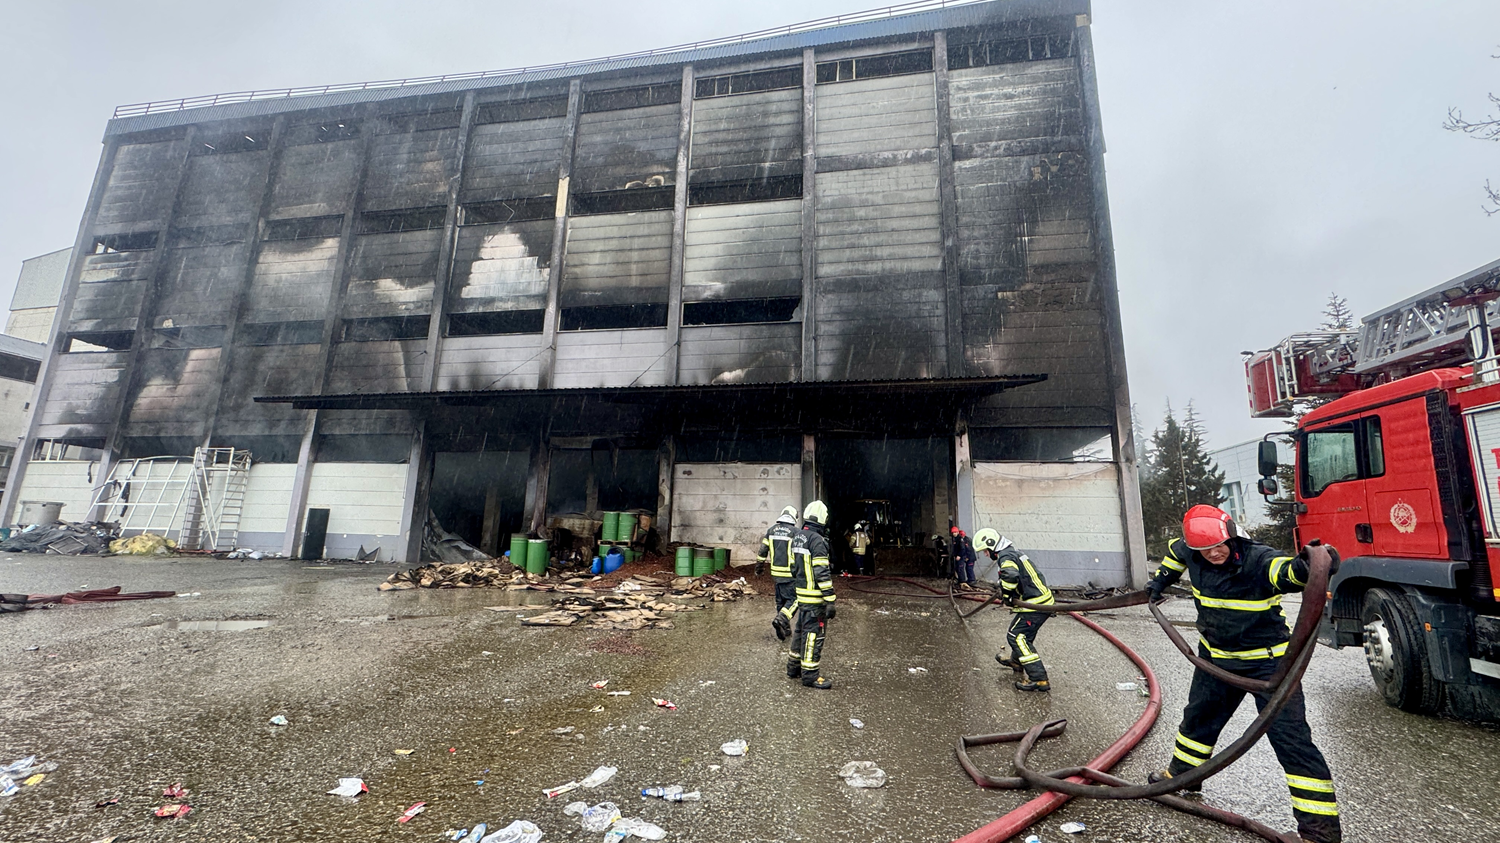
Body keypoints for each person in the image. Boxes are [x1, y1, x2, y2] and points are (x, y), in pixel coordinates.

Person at [1145, 504, 1341, 843]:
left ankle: (1319, 833)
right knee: (1198, 721)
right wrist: (1160, 581)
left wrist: (1309, 566)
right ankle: (1184, 776)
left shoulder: (1257, 560)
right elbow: (1176, 555)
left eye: (1218, 545)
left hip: (1269, 667)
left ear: (1232, 536)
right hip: (1216, 660)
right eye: (1204, 550)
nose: (1213, 554)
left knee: (1292, 742)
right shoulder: (1191, 551)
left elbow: (1284, 572)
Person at [973, 528, 1055, 692]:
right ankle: (1016, 662)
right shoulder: (1011, 552)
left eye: (985, 551)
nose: (986, 555)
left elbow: (1010, 576)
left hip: (1036, 605)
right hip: (1039, 602)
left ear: (992, 545)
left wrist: (1007, 596)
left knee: (1016, 636)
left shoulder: (1006, 557)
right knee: (1022, 635)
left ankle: (1039, 678)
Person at [787, 500, 836, 689]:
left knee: (800, 632)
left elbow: (793, 567)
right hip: (815, 599)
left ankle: (793, 668)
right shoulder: (818, 540)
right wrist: (830, 599)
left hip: (802, 595)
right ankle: (810, 675)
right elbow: (821, 571)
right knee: (813, 636)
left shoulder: (798, 536)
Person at [757, 505, 800, 641]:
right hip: (791, 574)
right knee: (795, 599)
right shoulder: (795, 532)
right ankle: (781, 619)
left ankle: (785, 629)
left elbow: (763, 550)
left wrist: (759, 568)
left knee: (780, 601)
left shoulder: (771, 531)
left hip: (776, 574)